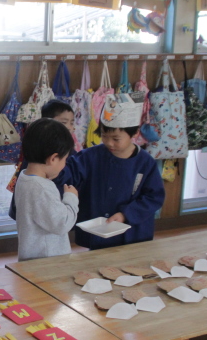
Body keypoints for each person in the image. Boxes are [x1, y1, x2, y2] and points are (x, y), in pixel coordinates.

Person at [61, 93, 165, 250]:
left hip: (132, 232)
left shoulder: (145, 163)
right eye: (104, 136)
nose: (109, 143)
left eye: (116, 139)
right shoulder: (89, 157)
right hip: (97, 229)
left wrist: (126, 214)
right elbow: (68, 175)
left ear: (135, 133)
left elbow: (154, 197)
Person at [15, 119, 79, 261]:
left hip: (31, 257)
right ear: (53, 158)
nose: (64, 164)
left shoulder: (24, 177)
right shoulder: (42, 188)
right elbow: (62, 224)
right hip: (48, 261)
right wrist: (71, 198)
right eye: (64, 159)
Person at [8, 99, 77, 220]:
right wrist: (71, 198)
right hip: (54, 215)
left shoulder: (35, 148)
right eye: (64, 122)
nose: (69, 128)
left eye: (72, 123)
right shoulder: (43, 185)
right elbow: (61, 222)